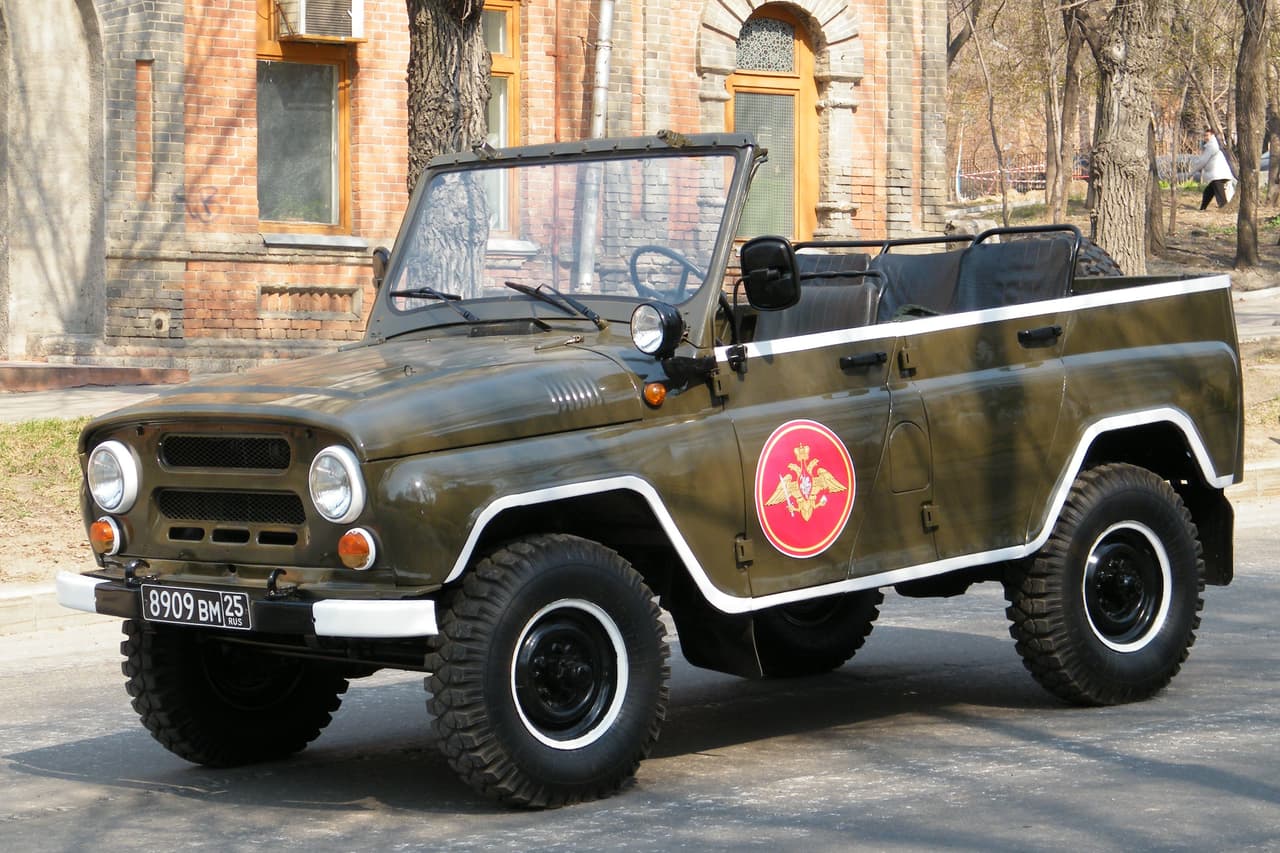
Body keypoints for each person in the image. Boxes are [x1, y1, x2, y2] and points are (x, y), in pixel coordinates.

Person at [1190, 129, 1234, 209]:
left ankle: (1224, 209)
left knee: (1221, 198)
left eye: (1207, 135)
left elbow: (1202, 161)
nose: (1205, 138)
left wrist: (1191, 172)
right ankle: (1202, 208)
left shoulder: (1212, 145)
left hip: (1218, 175)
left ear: (1212, 136)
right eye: (1204, 136)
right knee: (1208, 192)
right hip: (1219, 174)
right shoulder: (1215, 145)